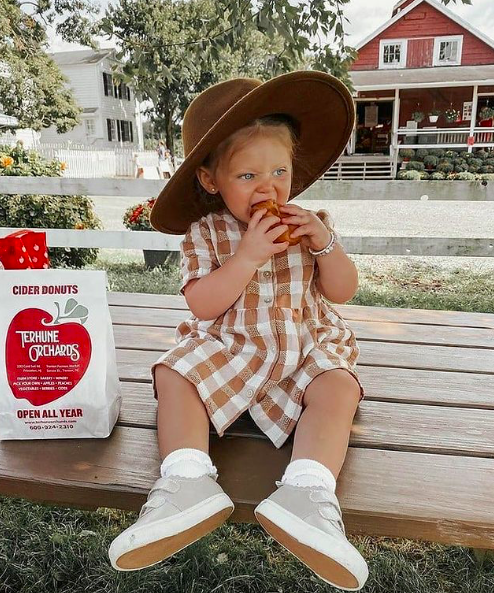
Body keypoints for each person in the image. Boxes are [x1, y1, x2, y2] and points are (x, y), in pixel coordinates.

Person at [109, 71, 369, 591]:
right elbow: (203, 306)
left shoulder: (306, 224)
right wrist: (246, 257)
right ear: (211, 181)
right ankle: (187, 480)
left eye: (279, 170)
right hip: (230, 348)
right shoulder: (206, 233)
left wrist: (325, 245)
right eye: (248, 176)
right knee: (173, 374)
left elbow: (343, 291)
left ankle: (308, 494)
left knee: (339, 385)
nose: (269, 186)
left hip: (302, 348)